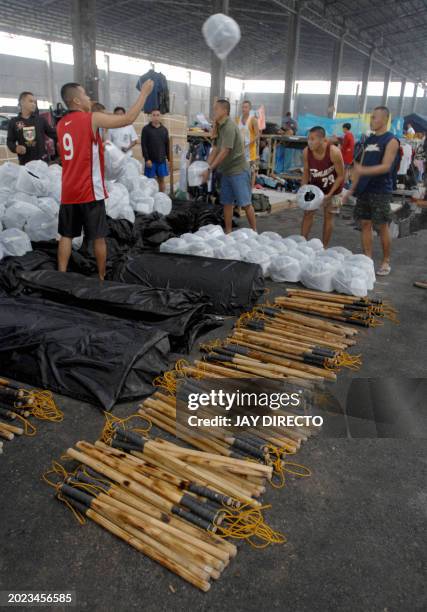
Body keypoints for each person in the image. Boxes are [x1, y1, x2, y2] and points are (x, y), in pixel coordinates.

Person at [56, 79, 153, 280]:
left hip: (68, 190)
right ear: (76, 100)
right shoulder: (91, 118)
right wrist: (144, 94)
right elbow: (127, 119)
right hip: (89, 189)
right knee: (99, 237)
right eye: (85, 94)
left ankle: (61, 277)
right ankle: (101, 278)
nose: (89, 98)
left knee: (66, 235)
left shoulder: (60, 124)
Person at [343, 106, 400, 276]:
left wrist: (362, 171)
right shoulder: (369, 140)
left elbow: (386, 166)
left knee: (382, 226)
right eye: (371, 117)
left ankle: (385, 261)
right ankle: (367, 260)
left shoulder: (391, 140)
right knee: (365, 224)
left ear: (384, 119)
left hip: (380, 190)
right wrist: (350, 191)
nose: (371, 120)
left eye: (374, 117)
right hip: (364, 189)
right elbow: (360, 166)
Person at [202, 98, 257, 234]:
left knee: (245, 204)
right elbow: (215, 149)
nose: (214, 111)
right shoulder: (219, 126)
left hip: (238, 171)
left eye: (216, 109)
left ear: (225, 111)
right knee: (227, 203)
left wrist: (210, 169)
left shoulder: (229, 127)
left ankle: (255, 232)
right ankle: (228, 232)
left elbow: (225, 151)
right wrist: (205, 166)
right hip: (226, 171)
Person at [301, 126, 345, 247]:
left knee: (329, 216)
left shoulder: (334, 152)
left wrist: (329, 194)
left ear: (322, 140)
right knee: (308, 213)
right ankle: (302, 243)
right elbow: (306, 172)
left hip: (335, 190)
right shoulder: (306, 152)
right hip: (315, 187)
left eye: (313, 139)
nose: (309, 141)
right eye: (308, 138)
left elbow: (341, 176)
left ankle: (324, 247)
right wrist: (303, 188)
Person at [7, 91, 57, 165]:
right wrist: (16, 148)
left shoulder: (41, 120)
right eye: (31, 101)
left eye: (34, 102)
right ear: (22, 102)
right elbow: (10, 141)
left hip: (42, 163)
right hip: (25, 163)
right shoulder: (14, 122)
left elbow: (54, 134)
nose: (34, 104)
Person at [141, 109, 170, 192]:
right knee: (149, 181)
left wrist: (169, 159)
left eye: (158, 115)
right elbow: (144, 145)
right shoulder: (146, 129)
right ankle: (150, 199)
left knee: (161, 180)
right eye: (154, 115)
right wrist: (147, 159)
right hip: (151, 160)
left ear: (160, 117)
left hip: (161, 160)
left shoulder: (164, 130)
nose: (156, 117)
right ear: (151, 117)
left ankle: (162, 197)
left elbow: (167, 145)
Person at [236, 100, 259, 187]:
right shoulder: (237, 119)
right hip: (239, 150)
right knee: (239, 171)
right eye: (243, 107)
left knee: (251, 171)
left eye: (246, 107)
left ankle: (250, 191)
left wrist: (249, 142)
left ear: (250, 109)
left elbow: (257, 135)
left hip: (250, 151)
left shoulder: (253, 120)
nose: (244, 109)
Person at [341, 123, 355, 187]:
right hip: (350, 156)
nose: (342, 130)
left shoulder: (346, 135)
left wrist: (339, 149)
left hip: (346, 156)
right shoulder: (351, 134)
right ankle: (346, 182)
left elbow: (344, 146)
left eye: (343, 128)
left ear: (345, 128)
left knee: (344, 170)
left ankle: (344, 183)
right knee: (347, 170)